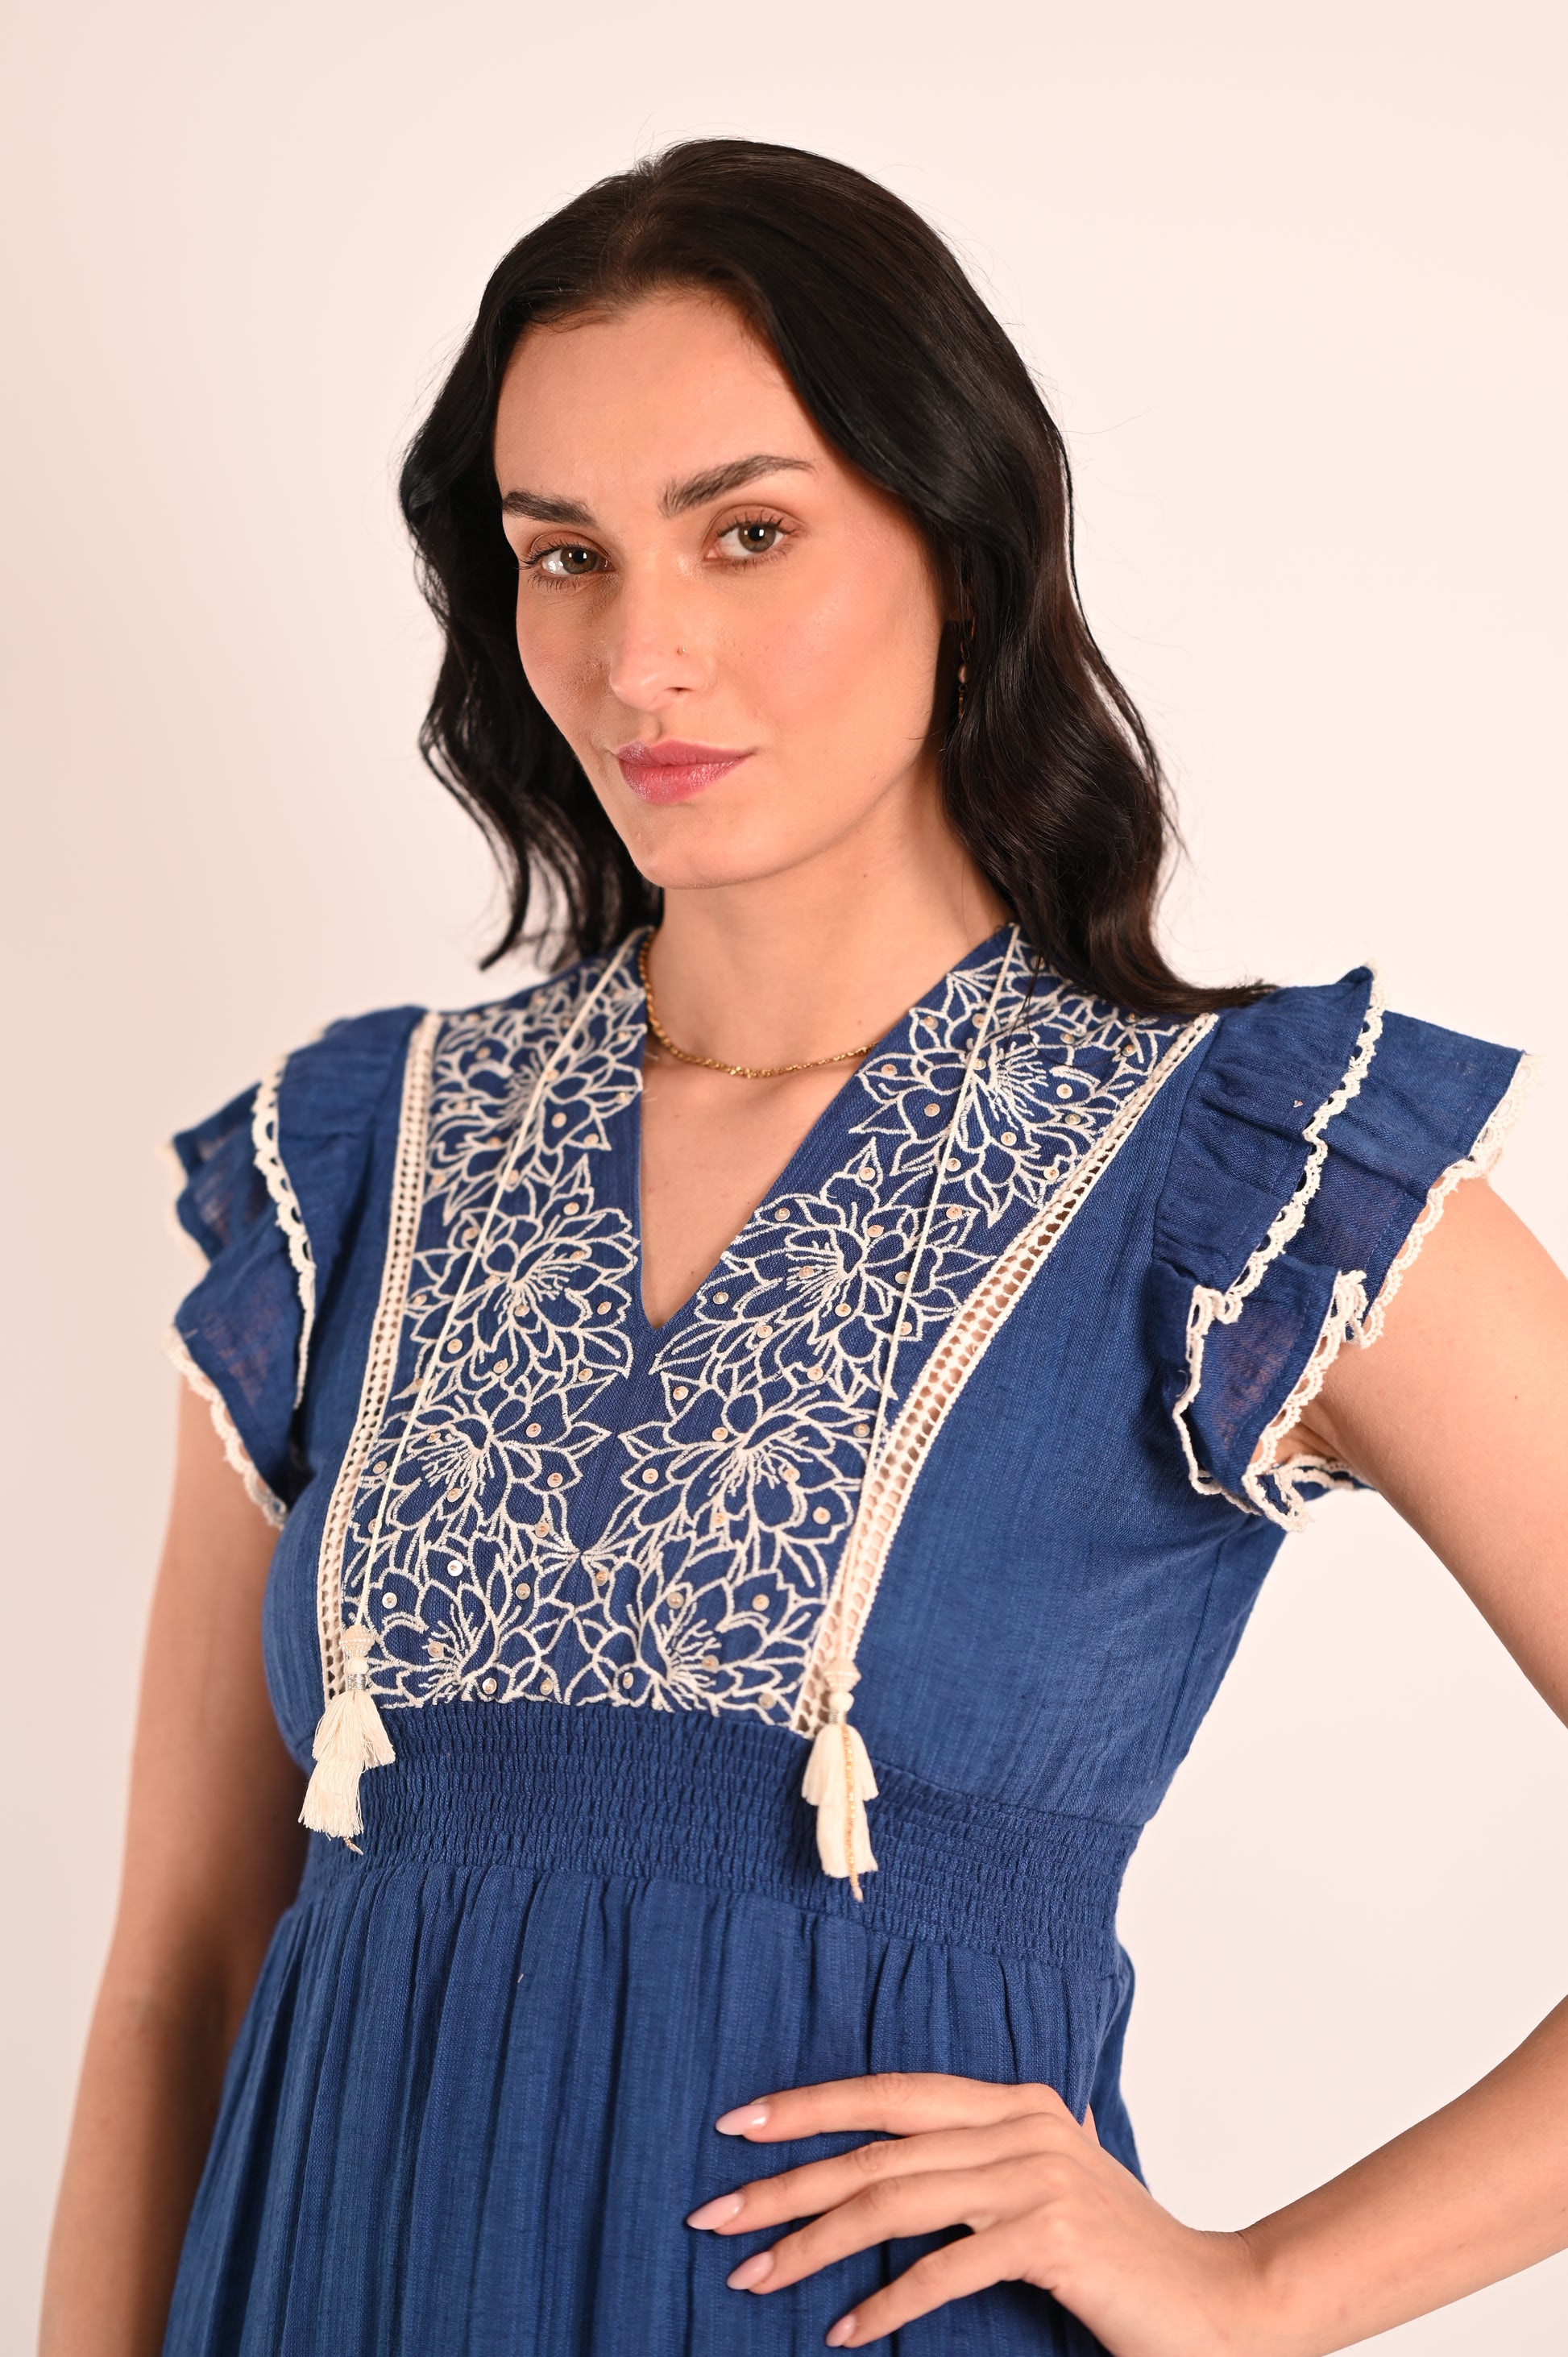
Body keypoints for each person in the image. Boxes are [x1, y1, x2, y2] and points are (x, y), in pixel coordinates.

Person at [39, 139, 1568, 2357]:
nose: (639, 653)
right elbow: (177, 1975)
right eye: (562, 555)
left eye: (745, 533)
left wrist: (1257, 2289)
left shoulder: (1246, 1174)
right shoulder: (358, 1162)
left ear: (963, 547)